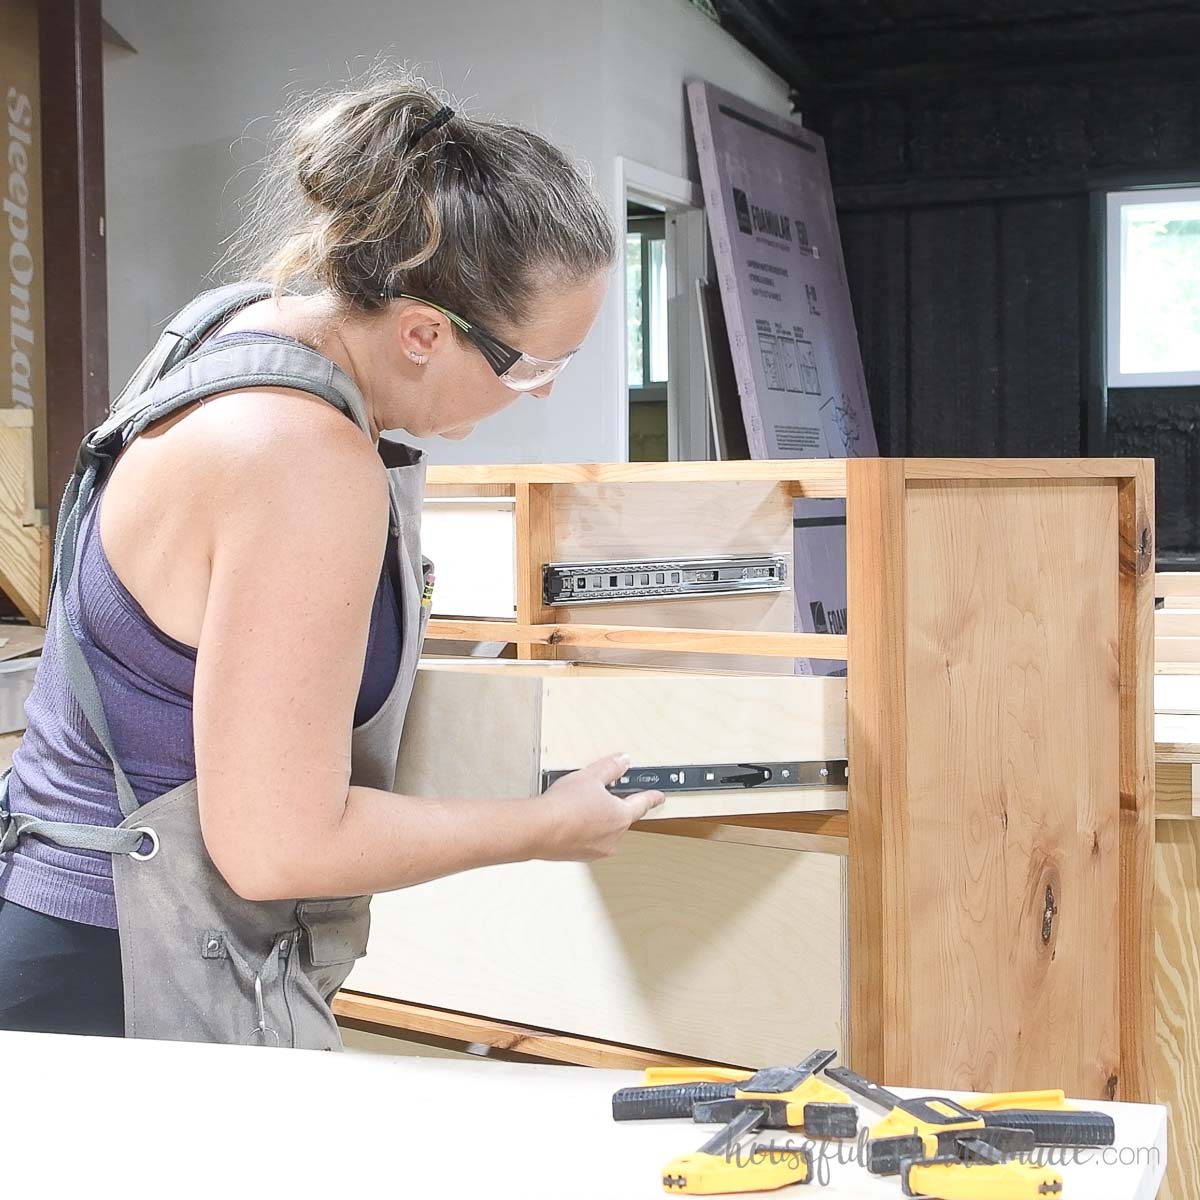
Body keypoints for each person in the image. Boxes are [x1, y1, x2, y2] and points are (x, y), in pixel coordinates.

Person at [0, 74, 664, 1046]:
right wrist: (544, 827)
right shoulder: (302, 461)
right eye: (532, 366)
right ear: (426, 331)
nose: (542, 397)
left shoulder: (231, 328)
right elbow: (278, 846)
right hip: (122, 976)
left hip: (63, 927)